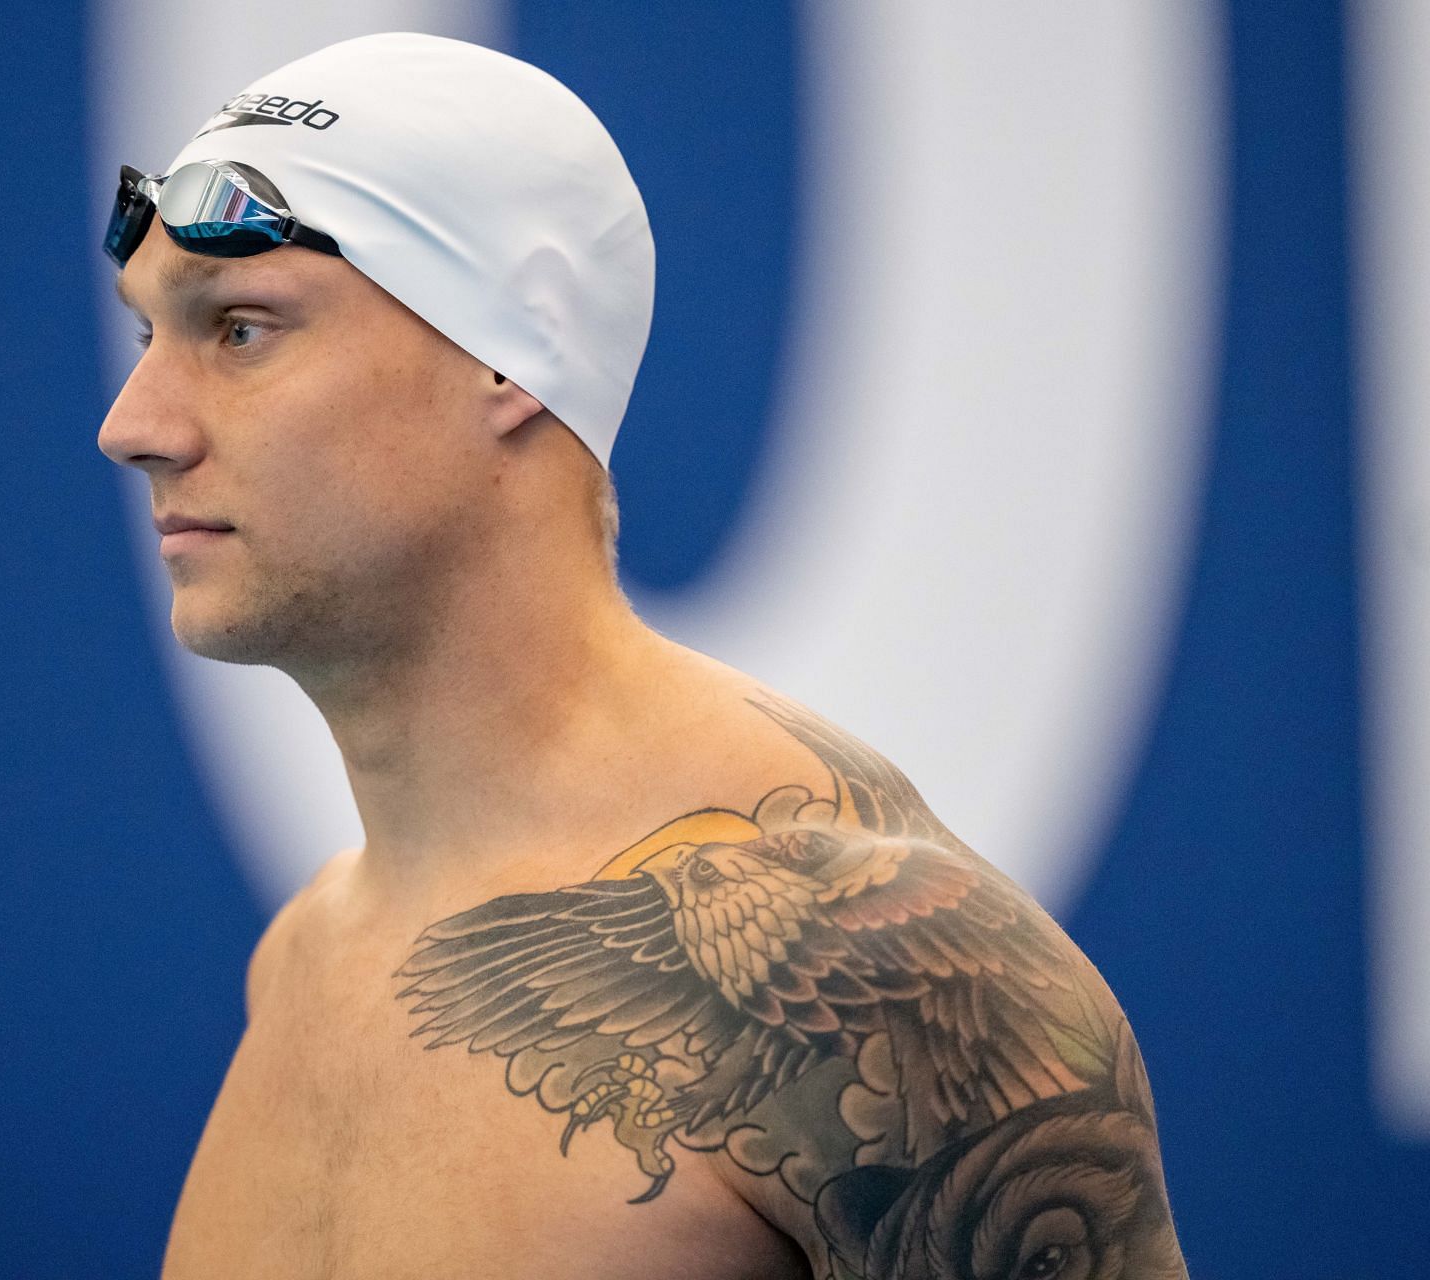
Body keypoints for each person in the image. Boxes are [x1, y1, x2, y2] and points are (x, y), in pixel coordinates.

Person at [98, 31, 1190, 1280]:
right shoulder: (304, 961)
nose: (133, 426)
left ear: (512, 346)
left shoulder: (870, 976)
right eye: (146, 338)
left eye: (238, 329)